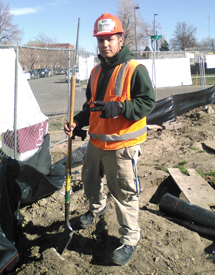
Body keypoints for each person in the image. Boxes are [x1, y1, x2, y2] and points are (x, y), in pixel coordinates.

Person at [64, 13, 155, 266]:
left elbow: (148, 102)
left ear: (120, 39)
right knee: (90, 181)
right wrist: (78, 122)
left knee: (124, 194)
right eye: (101, 39)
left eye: (110, 39)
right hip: (95, 143)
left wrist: (121, 108)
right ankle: (97, 208)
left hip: (122, 147)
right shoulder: (94, 72)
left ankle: (129, 239)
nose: (105, 44)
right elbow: (90, 106)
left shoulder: (135, 69)